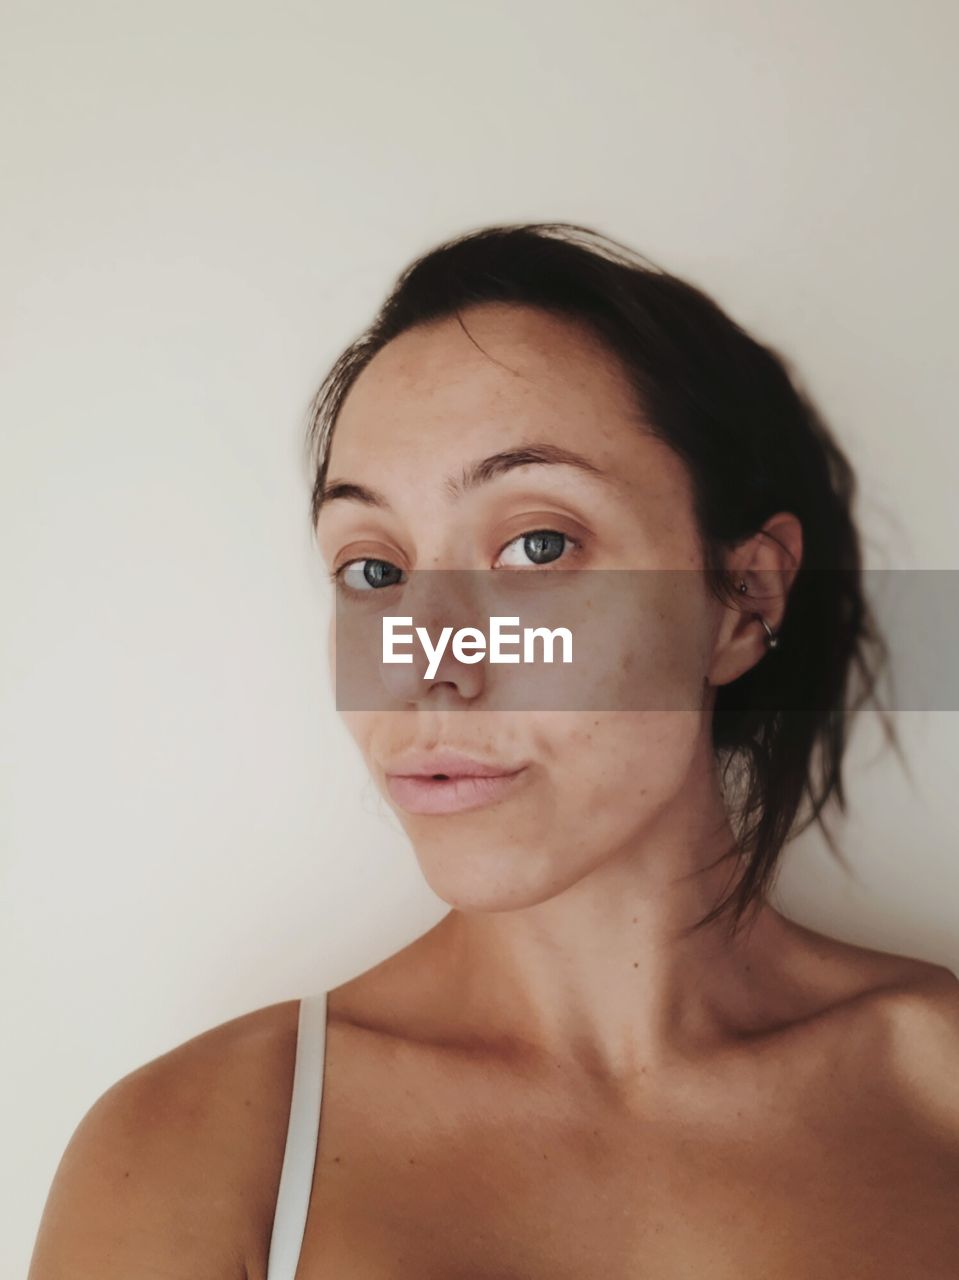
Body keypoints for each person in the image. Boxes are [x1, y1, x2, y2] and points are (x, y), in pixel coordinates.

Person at [28, 223, 959, 1279]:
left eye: (538, 545)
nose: (430, 661)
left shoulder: (938, 1086)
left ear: (742, 600)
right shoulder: (195, 1149)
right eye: (373, 570)